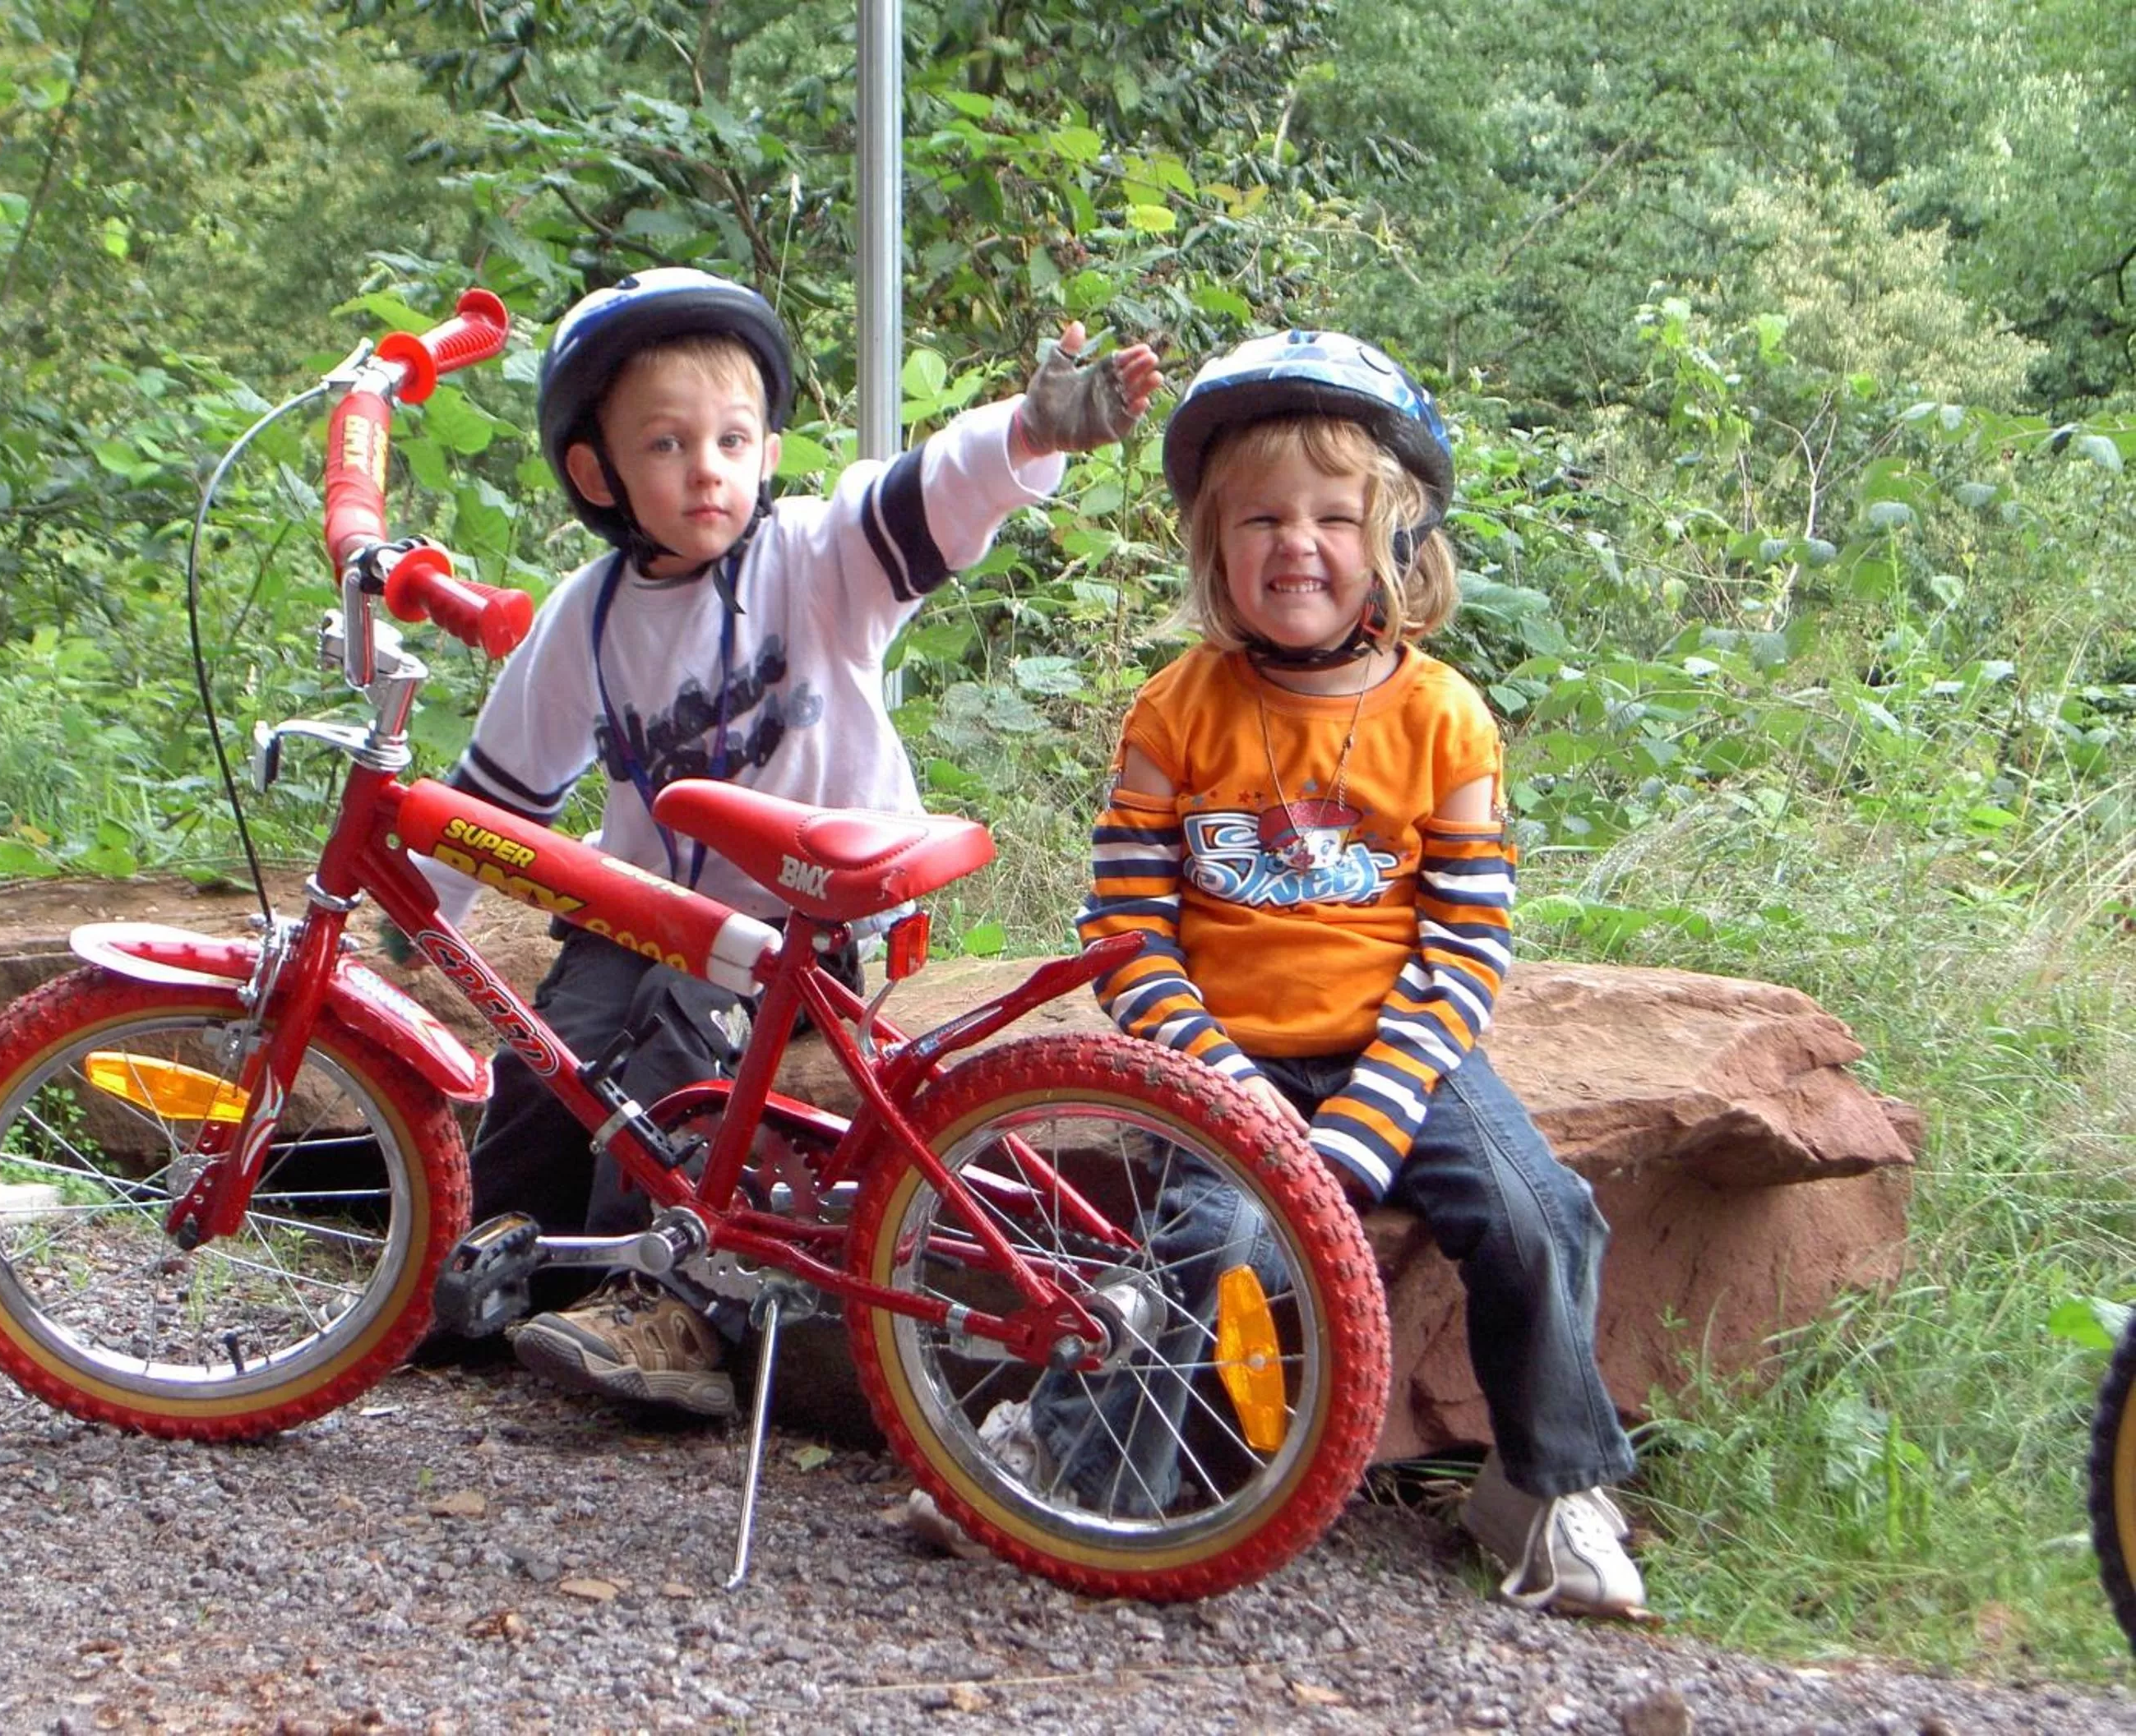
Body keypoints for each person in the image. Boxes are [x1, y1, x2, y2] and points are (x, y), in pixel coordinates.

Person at [945, 329, 1644, 1617]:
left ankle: (1544, 1484)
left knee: (1539, 1214)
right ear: (1215, 546)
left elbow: (1468, 941)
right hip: (1220, 1053)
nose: (1297, 544)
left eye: (1335, 515)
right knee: (1213, 1237)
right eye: (1260, 517)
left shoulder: (1444, 718)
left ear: (1398, 538)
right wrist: (1214, 1079)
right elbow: (1123, 931)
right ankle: (1071, 1462)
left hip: (1403, 1044)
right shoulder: (1176, 712)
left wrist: (1371, 1119)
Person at [414, 266, 1164, 1419]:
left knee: (682, 1049)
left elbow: (927, 497)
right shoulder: (589, 615)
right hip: (640, 912)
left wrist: (1026, 432)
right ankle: (496, 1262)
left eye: (730, 436)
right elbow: (501, 790)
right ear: (594, 471)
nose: (704, 467)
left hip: (793, 921)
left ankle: (662, 1303)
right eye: (663, 446)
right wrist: (420, 916)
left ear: (769, 449)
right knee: (551, 1052)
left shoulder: (820, 561)